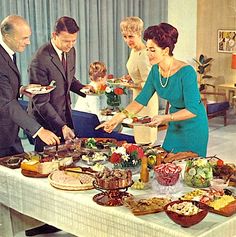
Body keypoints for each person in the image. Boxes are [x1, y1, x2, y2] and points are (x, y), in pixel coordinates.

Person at [96, 23, 209, 157]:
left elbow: (192, 110)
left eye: (152, 50)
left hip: (194, 126)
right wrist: (117, 118)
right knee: (167, 162)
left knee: (190, 167)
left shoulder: (186, 72)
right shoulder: (156, 70)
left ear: (165, 51)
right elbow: (141, 100)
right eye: (147, 49)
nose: (148, 54)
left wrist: (165, 118)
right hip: (175, 124)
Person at [28, 16, 92, 152]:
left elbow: (68, 77)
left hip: (64, 116)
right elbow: (40, 102)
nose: (70, 45)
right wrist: (61, 126)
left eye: (74, 41)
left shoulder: (70, 51)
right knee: (46, 162)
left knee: (67, 161)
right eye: (66, 41)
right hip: (45, 122)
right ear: (54, 35)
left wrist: (82, 88)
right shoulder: (40, 60)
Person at [0, 15, 60, 158]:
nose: (28, 42)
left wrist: (21, 89)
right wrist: (39, 131)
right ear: (7, 37)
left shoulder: (8, 52)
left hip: (10, 132)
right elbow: (7, 103)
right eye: (24, 38)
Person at [120, 17, 158, 144]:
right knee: (139, 137)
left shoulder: (145, 54)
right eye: (125, 36)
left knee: (145, 139)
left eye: (131, 36)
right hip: (137, 97)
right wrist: (130, 77)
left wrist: (130, 84)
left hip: (147, 100)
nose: (127, 40)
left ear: (139, 34)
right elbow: (138, 73)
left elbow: (150, 83)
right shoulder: (134, 51)